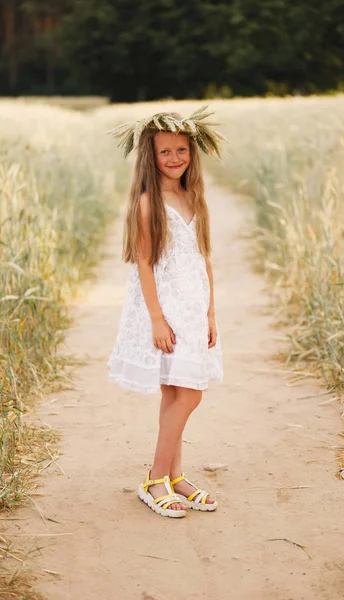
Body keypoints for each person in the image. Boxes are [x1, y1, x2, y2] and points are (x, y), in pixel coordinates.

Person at [107, 107, 224, 518]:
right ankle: (155, 479)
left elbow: (203, 258)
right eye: (165, 152)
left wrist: (210, 314)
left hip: (194, 307)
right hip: (168, 308)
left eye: (182, 150)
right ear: (150, 157)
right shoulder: (147, 203)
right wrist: (157, 318)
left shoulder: (193, 197)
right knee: (191, 392)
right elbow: (143, 264)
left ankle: (175, 477)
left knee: (177, 392)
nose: (175, 158)